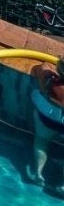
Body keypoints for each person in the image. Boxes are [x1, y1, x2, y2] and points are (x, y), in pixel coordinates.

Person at [27, 56, 64, 185]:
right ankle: (62, 185)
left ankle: (38, 173)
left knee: (41, 141)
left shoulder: (49, 78)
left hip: (47, 118)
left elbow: (41, 67)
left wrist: (51, 67)